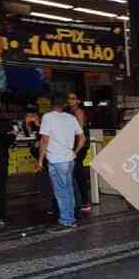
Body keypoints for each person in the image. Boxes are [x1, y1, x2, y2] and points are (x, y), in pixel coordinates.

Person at [36, 94, 85, 231]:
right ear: (64, 105)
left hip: (57, 160)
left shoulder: (48, 117)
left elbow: (44, 139)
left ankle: (66, 220)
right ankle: (71, 217)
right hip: (69, 159)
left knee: (61, 192)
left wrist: (40, 159)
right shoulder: (70, 118)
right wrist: (75, 151)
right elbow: (82, 138)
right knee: (68, 189)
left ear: (52, 104)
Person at [66, 92, 91, 212]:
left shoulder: (78, 112)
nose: (70, 101)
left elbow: (79, 131)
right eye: (68, 99)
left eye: (73, 98)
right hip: (74, 145)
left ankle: (85, 201)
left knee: (77, 172)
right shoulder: (68, 112)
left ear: (78, 101)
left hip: (79, 145)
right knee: (75, 172)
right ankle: (81, 200)